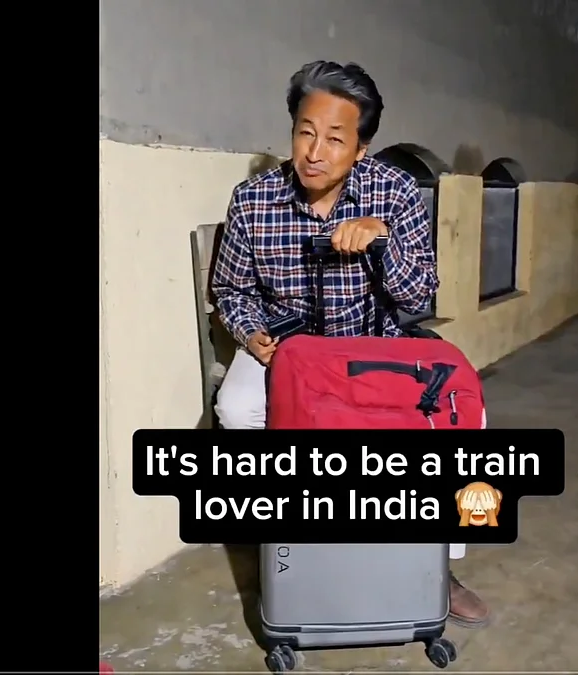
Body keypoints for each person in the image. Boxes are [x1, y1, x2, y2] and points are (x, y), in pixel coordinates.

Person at [208, 60, 490, 629]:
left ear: (361, 148)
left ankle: (439, 560)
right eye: (305, 132)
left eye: (335, 139)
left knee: (468, 419)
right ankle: (287, 545)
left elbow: (417, 297)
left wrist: (382, 242)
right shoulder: (253, 200)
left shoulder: (397, 191)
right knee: (237, 409)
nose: (315, 151)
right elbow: (231, 289)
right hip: (285, 351)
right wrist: (251, 334)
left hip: (373, 349)